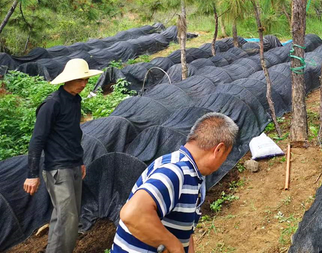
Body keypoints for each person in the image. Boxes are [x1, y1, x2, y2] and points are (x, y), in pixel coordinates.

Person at [111, 112, 238, 253]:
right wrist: (174, 245)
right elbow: (132, 213)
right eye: (227, 154)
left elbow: (185, 231)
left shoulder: (191, 173)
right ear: (219, 150)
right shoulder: (175, 172)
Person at [23, 58, 102, 253]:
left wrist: (80, 161)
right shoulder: (51, 105)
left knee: (68, 216)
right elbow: (37, 140)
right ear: (67, 80)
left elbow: (73, 134)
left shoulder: (75, 100)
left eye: (86, 80)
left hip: (73, 165)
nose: (84, 84)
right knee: (67, 217)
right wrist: (32, 174)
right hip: (58, 169)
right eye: (79, 80)